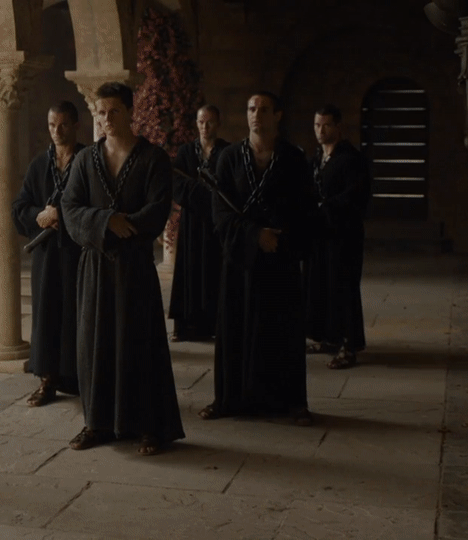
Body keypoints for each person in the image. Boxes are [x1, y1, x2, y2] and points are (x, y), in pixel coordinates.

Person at [60, 82, 185, 456]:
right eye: (101, 112)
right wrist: (106, 221)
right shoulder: (85, 160)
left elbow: (158, 208)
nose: (106, 118)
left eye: (114, 110)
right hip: (96, 268)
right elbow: (70, 207)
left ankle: (148, 426)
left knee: (139, 343)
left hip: (134, 268)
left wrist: (124, 226)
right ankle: (97, 423)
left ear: (130, 112)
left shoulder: (153, 158)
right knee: (94, 344)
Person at [201, 91, 315, 426]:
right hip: (241, 259)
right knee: (236, 327)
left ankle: (291, 403)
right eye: (252, 108)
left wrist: (279, 237)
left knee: (282, 330)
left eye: (264, 109)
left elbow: (305, 209)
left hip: (280, 257)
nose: (256, 115)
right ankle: (228, 399)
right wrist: (254, 235)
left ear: (277, 115)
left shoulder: (293, 158)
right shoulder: (229, 158)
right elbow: (220, 213)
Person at [12, 101, 85, 406]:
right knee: (47, 316)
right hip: (46, 256)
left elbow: (96, 205)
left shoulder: (88, 161)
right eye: (52, 125)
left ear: (75, 125)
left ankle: (80, 378)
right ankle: (48, 380)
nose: (57, 131)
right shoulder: (38, 165)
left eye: (63, 124)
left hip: (77, 254)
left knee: (77, 315)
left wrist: (63, 217)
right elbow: (19, 208)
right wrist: (39, 216)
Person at [305, 104, 371, 369]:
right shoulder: (317, 158)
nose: (320, 131)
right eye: (317, 125)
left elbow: (356, 196)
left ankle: (349, 346)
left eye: (326, 125)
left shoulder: (351, 159)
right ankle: (328, 338)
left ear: (338, 127)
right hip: (320, 234)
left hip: (344, 236)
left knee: (343, 287)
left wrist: (325, 207)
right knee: (321, 285)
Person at [168, 105, 229, 342]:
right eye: (201, 122)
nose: (205, 127)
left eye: (210, 122)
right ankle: (187, 327)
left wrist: (211, 197)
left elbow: (227, 187)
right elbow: (177, 184)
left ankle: (214, 325)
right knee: (190, 270)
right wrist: (202, 193)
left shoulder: (226, 152)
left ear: (218, 123)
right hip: (192, 222)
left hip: (216, 222)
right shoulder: (186, 151)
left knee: (214, 271)